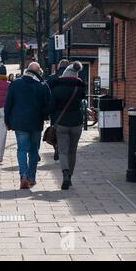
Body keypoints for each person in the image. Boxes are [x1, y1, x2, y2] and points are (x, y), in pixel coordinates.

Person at [4, 62, 50, 189]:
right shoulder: (41, 86)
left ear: (26, 70)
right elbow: (48, 104)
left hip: (19, 123)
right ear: (38, 72)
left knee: (22, 149)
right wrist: (44, 116)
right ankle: (31, 178)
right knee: (34, 151)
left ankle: (23, 176)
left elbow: (8, 104)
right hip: (36, 123)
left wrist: (7, 121)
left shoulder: (15, 84)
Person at [49, 62, 85, 190]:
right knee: (72, 151)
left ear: (64, 75)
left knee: (63, 150)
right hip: (77, 123)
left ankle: (64, 173)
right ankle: (70, 176)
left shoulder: (57, 89)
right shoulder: (80, 89)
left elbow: (51, 108)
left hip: (62, 123)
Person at [46, 59, 71, 161]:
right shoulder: (71, 78)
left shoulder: (52, 78)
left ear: (58, 66)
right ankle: (63, 149)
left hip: (55, 109)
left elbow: (46, 93)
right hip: (68, 109)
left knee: (55, 129)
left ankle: (56, 146)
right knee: (67, 130)